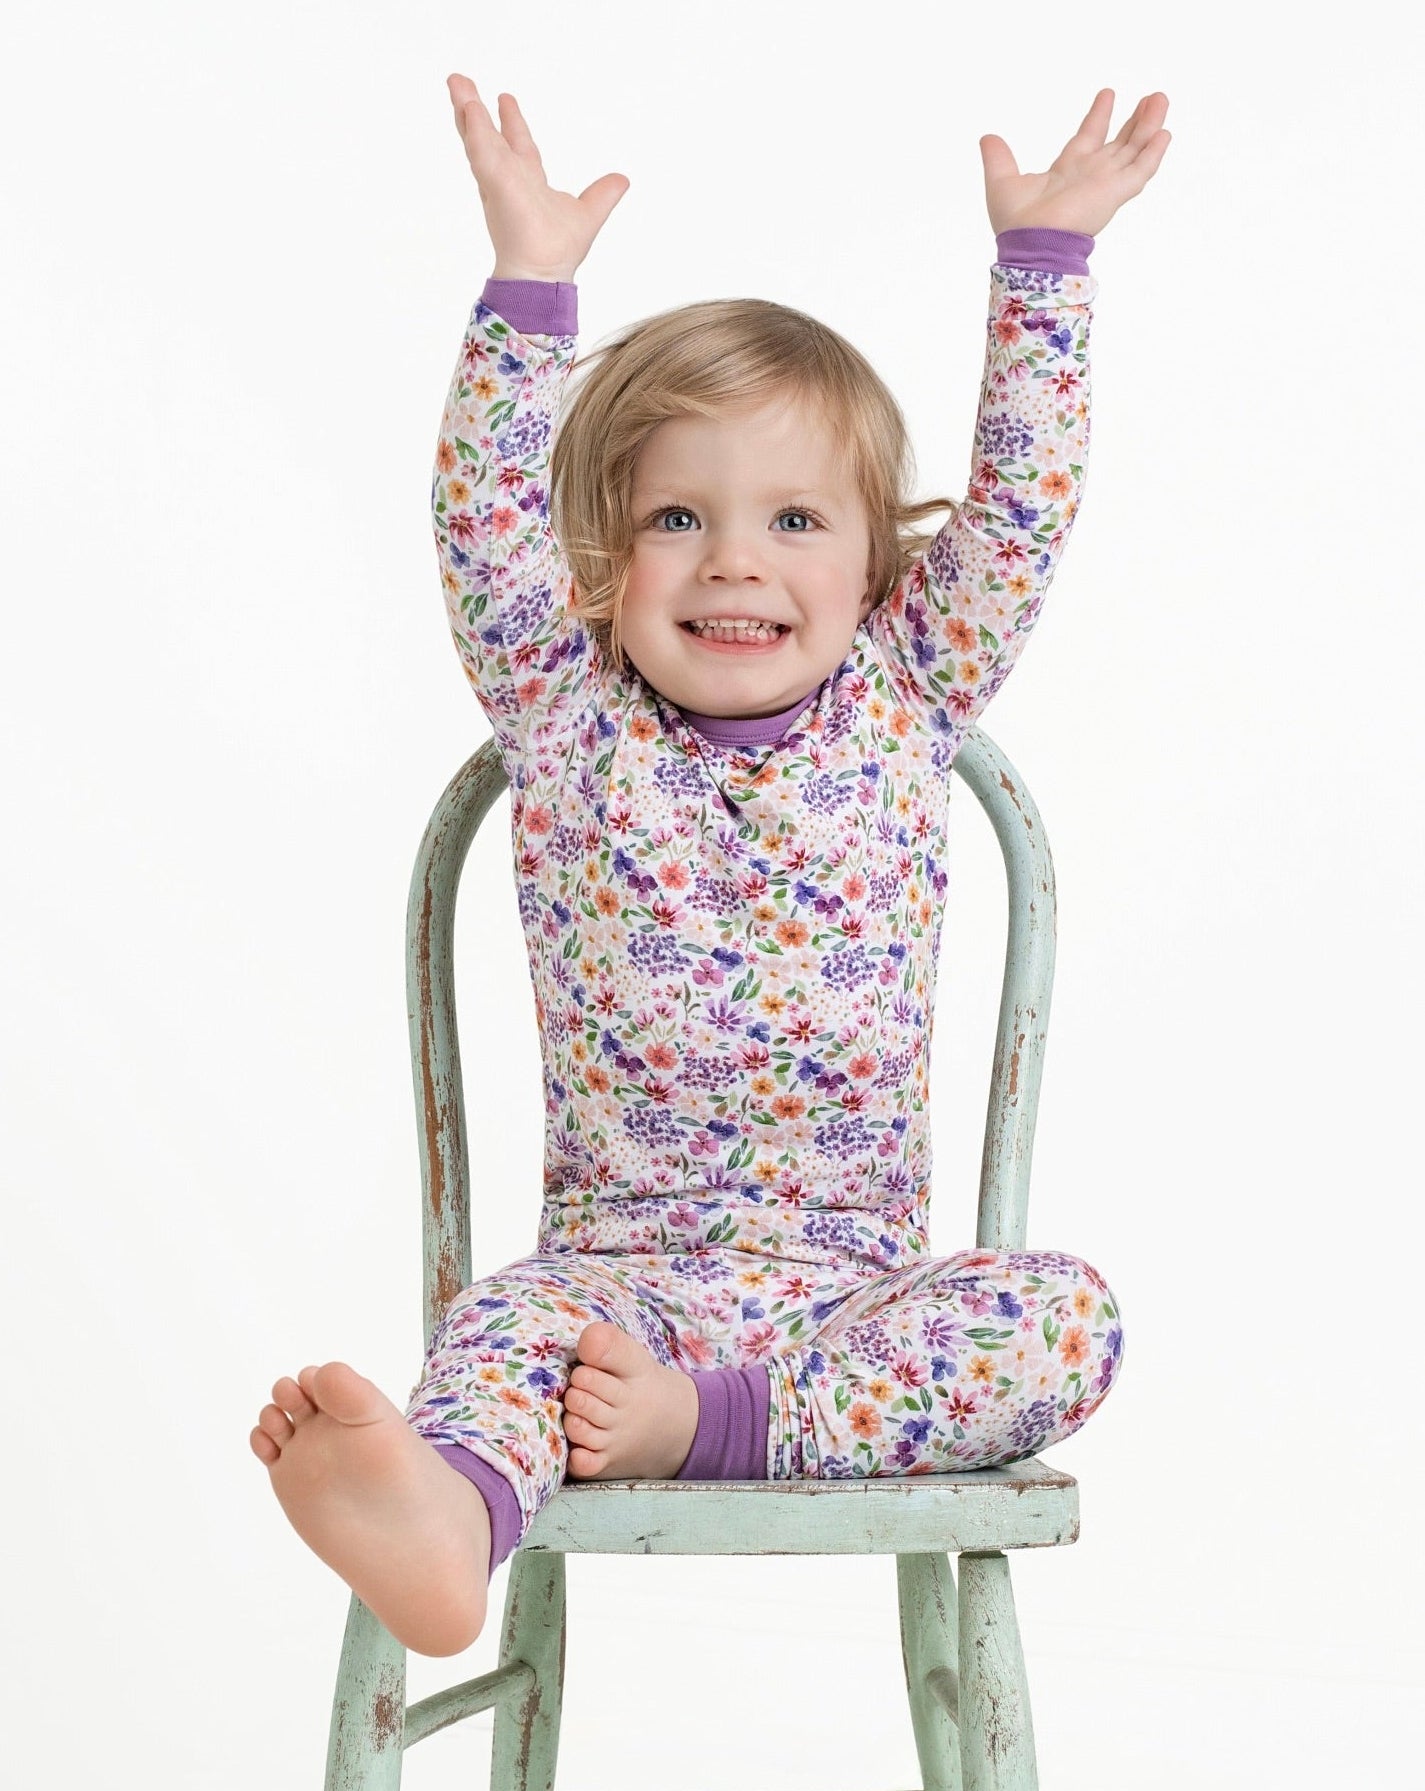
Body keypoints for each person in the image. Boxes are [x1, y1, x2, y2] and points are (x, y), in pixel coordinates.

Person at [249, 77, 1171, 1660]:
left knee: (1063, 1318)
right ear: (603, 564)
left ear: (878, 565)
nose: (736, 558)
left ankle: (721, 1424)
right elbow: (480, 531)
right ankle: (446, 1516)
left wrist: (1045, 274)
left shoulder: (909, 690)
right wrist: (526, 296)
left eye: (795, 518)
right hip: (618, 1292)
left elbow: (1019, 514)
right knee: (499, 1333)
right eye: (677, 517)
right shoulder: (565, 715)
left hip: (849, 1304)